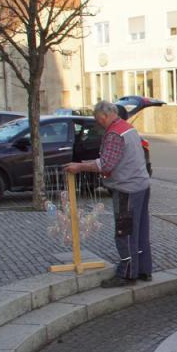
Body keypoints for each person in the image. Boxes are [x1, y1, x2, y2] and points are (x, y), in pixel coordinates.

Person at [64, 100, 152, 288]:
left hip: (126, 189)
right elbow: (114, 159)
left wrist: (80, 166)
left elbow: (106, 165)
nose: (98, 123)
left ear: (104, 116)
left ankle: (127, 274)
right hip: (141, 185)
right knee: (141, 231)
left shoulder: (114, 133)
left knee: (125, 232)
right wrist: (92, 162)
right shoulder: (128, 127)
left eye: (98, 119)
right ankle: (144, 270)